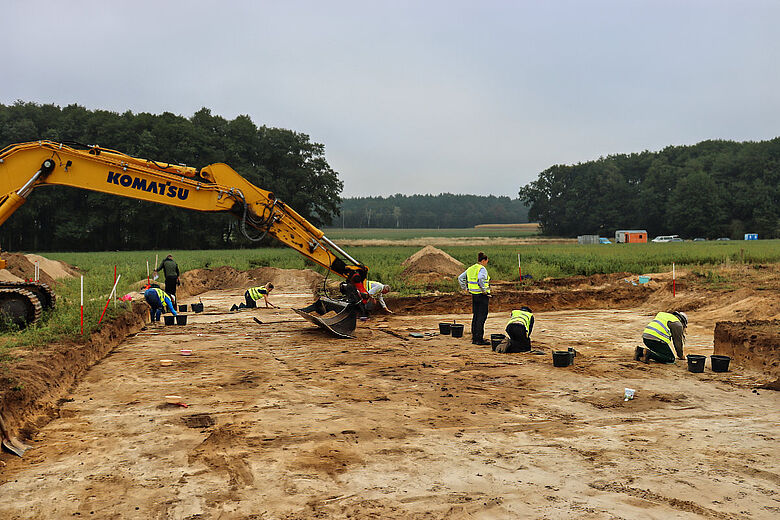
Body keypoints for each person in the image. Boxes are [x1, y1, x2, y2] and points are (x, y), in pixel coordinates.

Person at [458, 252, 491, 345]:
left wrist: (465, 288)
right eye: (487, 261)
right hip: (482, 295)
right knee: (482, 317)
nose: (487, 263)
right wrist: (484, 290)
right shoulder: (482, 269)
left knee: (476, 316)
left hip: (474, 295)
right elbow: (480, 278)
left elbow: (460, 278)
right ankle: (479, 339)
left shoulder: (471, 268)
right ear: (483, 260)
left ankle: (474, 338)